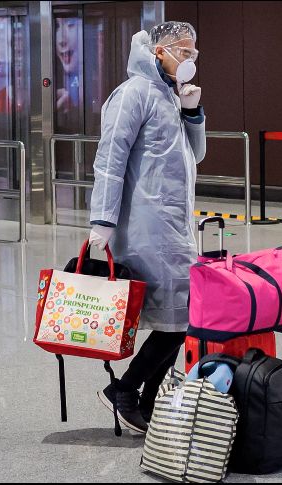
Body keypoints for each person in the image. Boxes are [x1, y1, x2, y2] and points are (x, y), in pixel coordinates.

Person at [87, 21, 206, 433]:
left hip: (174, 226)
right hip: (144, 228)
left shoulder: (170, 96)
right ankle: (125, 391)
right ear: (161, 52)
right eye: (184, 53)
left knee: (180, 317)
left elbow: (197, 155)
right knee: (178, 320)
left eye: (194, 54)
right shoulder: (133, 93)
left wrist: (193, 113)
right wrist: (101, 220)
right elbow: (110, 159)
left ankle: (147, 400)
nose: (190, 61)